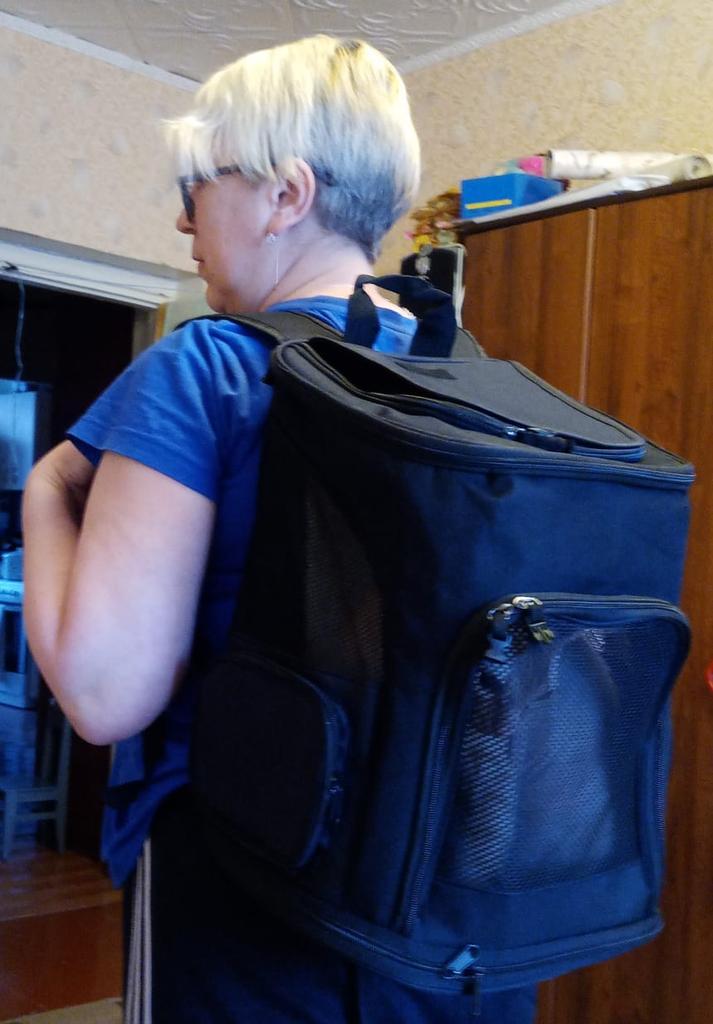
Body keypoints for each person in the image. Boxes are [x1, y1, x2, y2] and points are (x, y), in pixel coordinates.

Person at [22, 35, 538, 1024]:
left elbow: (101, 695)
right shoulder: (473, 379)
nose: (184, 218)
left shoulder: (207, 366)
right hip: (449, 904)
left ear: (285, 194)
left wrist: (47, 487)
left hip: (248, 896)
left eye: (197, 185)